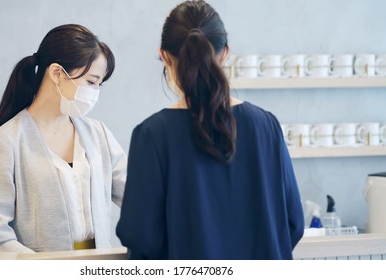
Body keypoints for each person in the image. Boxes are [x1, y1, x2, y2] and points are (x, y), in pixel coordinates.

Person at [116, 0, 304, 259]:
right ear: (225, 53)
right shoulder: (266, 125)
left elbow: (141, 236)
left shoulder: (152, 135)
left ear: (164, 56)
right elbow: (293, 224)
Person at [0, 24, 127, 253]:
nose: (95, 92)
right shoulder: (7, 140)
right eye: (90, 81)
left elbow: (137, 196)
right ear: (57, 73)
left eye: (99, 84)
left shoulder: (99, 135)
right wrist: (45, 270)